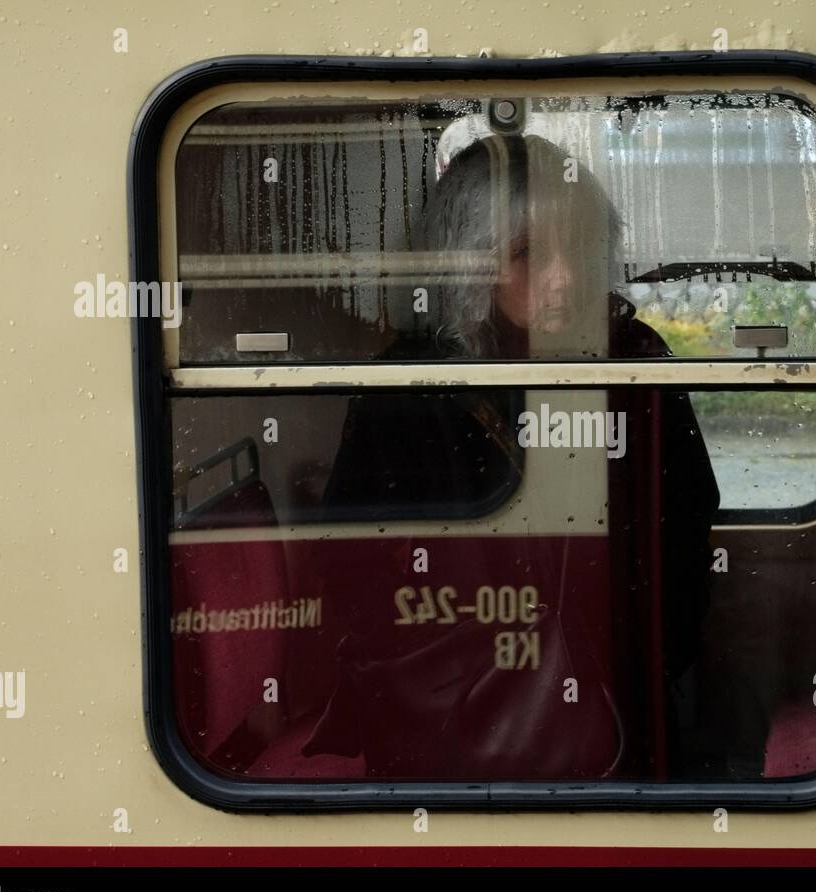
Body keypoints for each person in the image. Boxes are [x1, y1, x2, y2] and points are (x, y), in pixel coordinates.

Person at [304, 134, 720, 780]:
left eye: (578, 246)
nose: (566, 277)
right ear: (472, 267)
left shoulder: (635, 358)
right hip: (435, 735)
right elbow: (352, 577)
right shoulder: (407, 389)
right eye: (528, 254)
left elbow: (687, 539)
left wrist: (625, 663)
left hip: (616, 715)